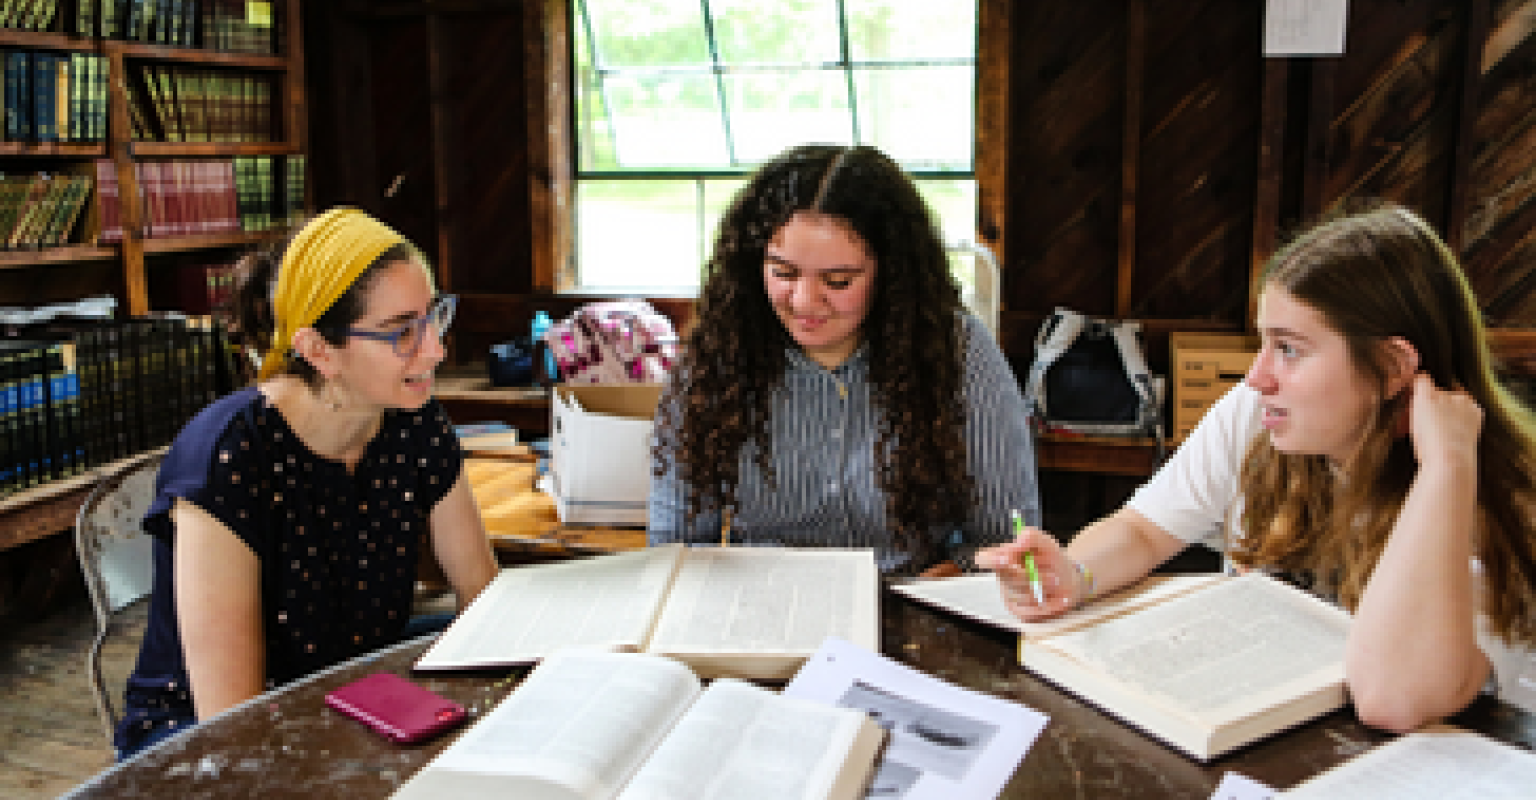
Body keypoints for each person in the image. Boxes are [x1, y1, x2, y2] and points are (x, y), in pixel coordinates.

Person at [979, 202, 1536, 732]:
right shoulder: (1260, 418)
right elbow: (1144, 530)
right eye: (1263, 344)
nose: (1257, 377)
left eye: (1289, 349)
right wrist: (1075, 576)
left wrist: (1444, 467)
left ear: (1393, 368)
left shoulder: (1491, 495)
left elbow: (1392, 697)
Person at [114, 208, 498, 759]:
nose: (435, 349)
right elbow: (232, 721)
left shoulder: (416, 419)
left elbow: (483, 599)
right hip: (202, 740)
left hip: (352, 688)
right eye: (401, 332)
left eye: (435, 315)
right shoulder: (228, 455)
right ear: (318, 349)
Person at [649, 144, 1041, 576]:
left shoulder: (958, 352)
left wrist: (954, 572)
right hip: (762, 603)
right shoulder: (719, 352)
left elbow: (1007, 540)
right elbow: (675, 548)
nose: (804, 301)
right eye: (783, 273)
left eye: (838, 281)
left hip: (910, 603)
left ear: (889, 273)